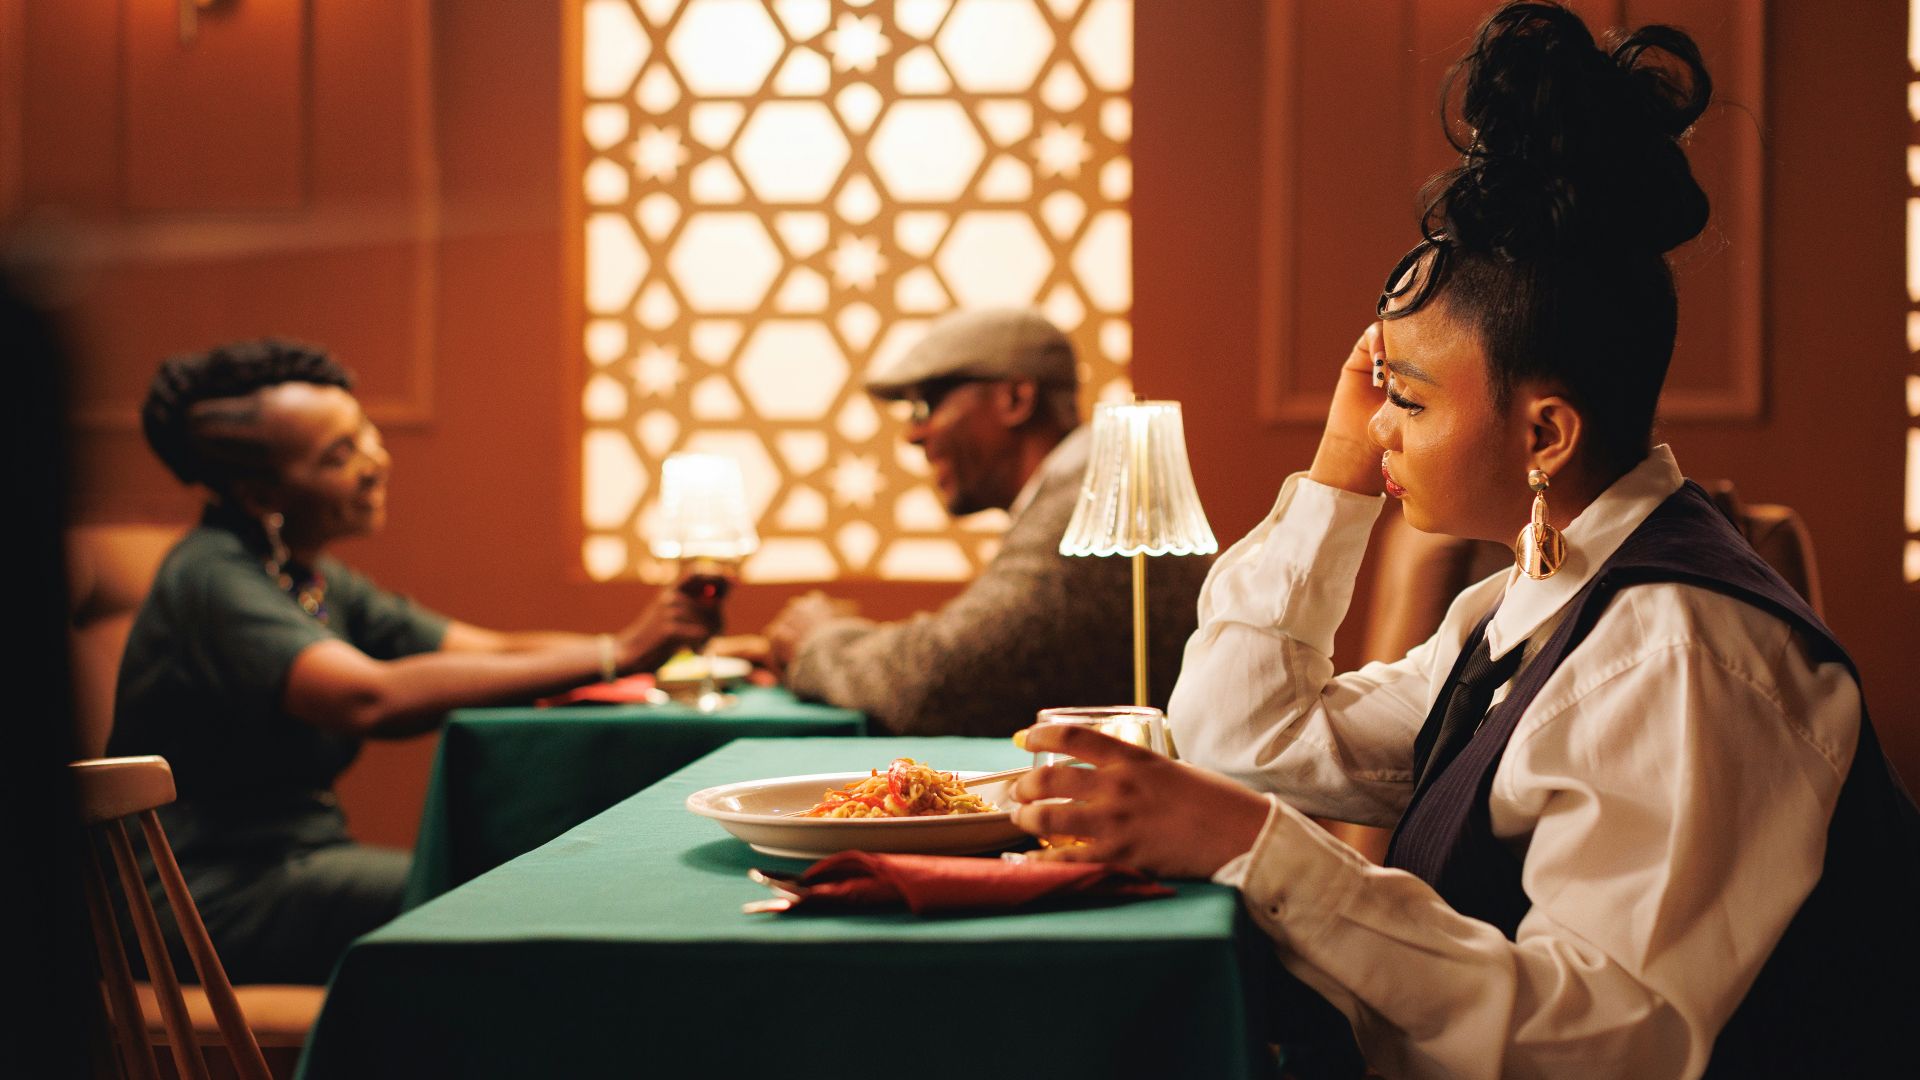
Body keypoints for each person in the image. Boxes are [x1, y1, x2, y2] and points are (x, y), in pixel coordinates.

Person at [1007, 5, 1919, 1077]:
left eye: (1413, 402)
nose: (1381, 423)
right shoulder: (1526, 606)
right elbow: (1240, 737)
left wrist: (1248, 848)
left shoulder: (1673, 654)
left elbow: (1608, 1046)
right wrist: (1345, 464)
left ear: (1544, 432)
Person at [107, 339, 716, 984]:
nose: (376, 461)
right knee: (498, 892)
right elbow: (368, 698)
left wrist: (671, 647)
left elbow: (495, 650)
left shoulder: (309, 581)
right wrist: (618, 653)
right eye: (339, 455)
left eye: (365, 433)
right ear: (259, 493)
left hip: (299, 866)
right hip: (197, 900)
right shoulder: (212, 578)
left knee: (519, 876)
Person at [756, 308, 1212, 735]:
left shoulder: (1089, 504)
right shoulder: (1094, 482)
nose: (913, 434)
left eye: (925, 406)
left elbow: (935, 680)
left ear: (1015, 399)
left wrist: (818, 642)